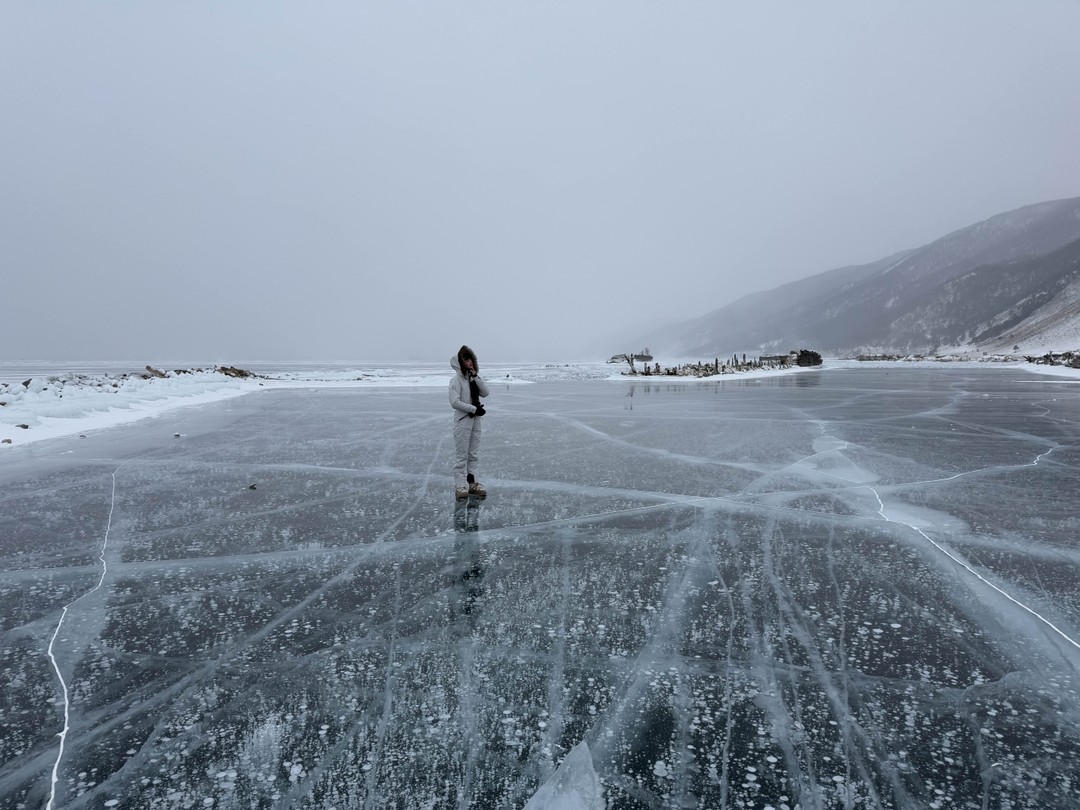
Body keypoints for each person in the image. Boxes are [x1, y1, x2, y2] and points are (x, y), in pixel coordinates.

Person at [449, 345, 490, 500]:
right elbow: (454, 402)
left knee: (473, 454)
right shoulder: (456, 380)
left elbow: (485, 393)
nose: (470, 362)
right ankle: (460, 485)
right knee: (462, 455)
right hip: (463, 421)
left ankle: (472, 483)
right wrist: (474, 409)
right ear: (460, 362)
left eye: (471, 359)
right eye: (466, 359)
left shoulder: (473, 379)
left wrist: (476, 377)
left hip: (475, 421)